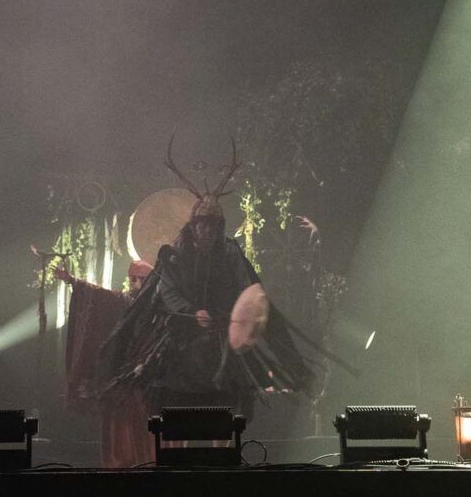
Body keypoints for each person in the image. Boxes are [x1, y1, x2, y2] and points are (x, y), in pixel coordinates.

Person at [100, 191, 316, 425]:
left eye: (213, 225)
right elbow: (168, 290)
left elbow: (245, 287)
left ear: (219, 227)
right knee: (164, 378)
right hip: (184, 326)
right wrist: (192, 312)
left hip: (223, 326)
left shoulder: (230, 252)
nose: (207, 231)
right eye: (203, 224)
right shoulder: (175, 253)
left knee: (235, 390)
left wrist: (242, 310)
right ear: (194, 225)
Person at [55, 258, 155, 467]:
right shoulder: (122, 301)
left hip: (150, 375)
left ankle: (150, 463)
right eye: (132, 278)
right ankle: (119, 465)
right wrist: (72, 280)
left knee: (147, 422)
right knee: (117, 419)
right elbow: (99, 296)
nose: (135, 282)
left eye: (141, 279)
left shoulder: (160, 305)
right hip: (121, 374)